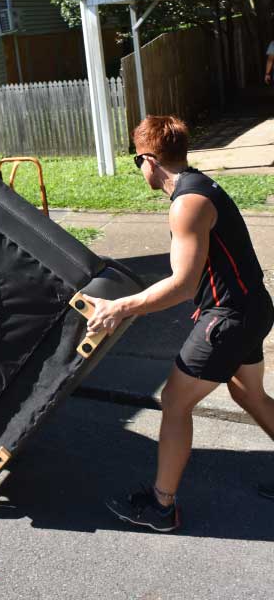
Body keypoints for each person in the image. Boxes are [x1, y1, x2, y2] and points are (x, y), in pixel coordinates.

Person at [83, 115, 274, 532]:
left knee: (174, 401)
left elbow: (182, 286)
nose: (140, 170)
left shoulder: (188, 204)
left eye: (137, 162)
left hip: (229, 317)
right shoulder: (199, 187)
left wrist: (119, 308)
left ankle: (162, 506)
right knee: (250, 395)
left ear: (149, 160)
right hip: (252, 307)